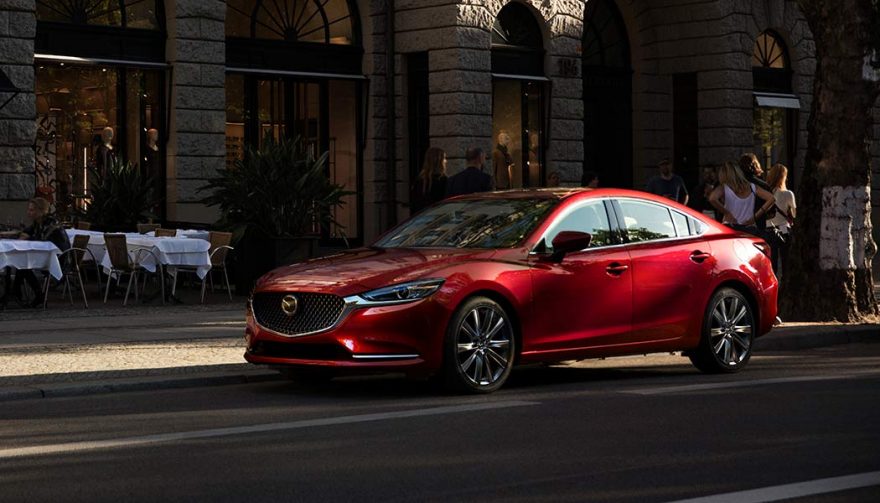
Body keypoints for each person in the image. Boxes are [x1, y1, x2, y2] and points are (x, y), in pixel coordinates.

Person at [1, 197, 70, 308]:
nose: (29, 212)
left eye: (32, 210)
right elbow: (28, 231)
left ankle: (27, 294)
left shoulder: (51, 223)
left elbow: (42, 238)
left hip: (59, 258)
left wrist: (27, 237)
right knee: (21, 263)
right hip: (44, 255)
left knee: (23, 265)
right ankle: (20, 293)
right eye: (29, 209)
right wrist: (25, 234)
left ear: (41, 211)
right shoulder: (38, 222)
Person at [708, 161, 776, 236]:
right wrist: (755, 217)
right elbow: (771, 198)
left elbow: (712, 198)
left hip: (730, 226)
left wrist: (727, 213)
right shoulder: (752, 187)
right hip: (749, 227)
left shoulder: (724, 188)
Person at [767, 163, 797, 275]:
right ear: (783, 177)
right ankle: (785, 283)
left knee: (771, 261)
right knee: (786, 260)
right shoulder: (788, 194)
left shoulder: (765, 193)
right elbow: (794, 215)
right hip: (784, 228)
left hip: (768, 229)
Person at [739, 153, 773, 230]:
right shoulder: (763, 185)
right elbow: (771, 209)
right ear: (756, 165)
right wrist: (757, 216)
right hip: (758, 225)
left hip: (736, 225)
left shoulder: (735, 184)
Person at [412, 147, 448, 212]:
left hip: (421, 217)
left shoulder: (420, 180)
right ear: (439, 161)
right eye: (444, 158)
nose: (446, 161)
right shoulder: (443, 180)